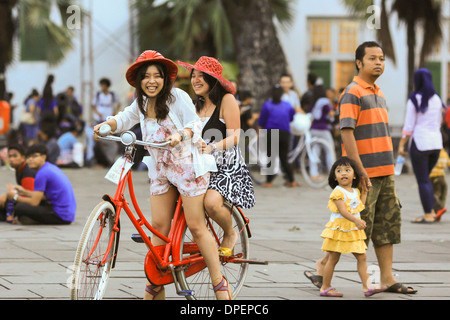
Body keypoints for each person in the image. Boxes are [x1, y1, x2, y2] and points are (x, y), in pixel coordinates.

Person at [94, 50, 232, 300]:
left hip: (188, 166)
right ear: (139, 80)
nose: (151, 81)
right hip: (160, 169)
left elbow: (194, 124)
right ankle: (155, 287)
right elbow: (124, 118)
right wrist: (107, 126)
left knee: (196, 226)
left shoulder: (177, 97)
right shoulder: (142, 102)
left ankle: (219, 284)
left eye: (157, 76)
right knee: (158, 227)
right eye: (146, 76)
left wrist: (181, 135)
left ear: (165, 79)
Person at [305, 41, 417, 295]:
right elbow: (346, 132)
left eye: (381, 58)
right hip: (364, 175)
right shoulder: (352, 92)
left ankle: (387, 278)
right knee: (354, 227)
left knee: (387, 224)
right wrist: (360, 171)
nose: (378, 62)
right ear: (359, 62)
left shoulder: (379, 92)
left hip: (386, 171)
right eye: (372, 58)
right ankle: (322, 267)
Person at [178, 56, 256, 257]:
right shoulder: (194, 105)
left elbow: (236, 136)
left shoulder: (226, 100)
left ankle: (230, 234)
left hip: (226, 166)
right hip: (199, 165)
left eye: (201, 76)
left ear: (213, 80)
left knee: (211, 203)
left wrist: (213, 147)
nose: (195, 80)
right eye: (193, 76)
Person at [319, 157, 382, 297]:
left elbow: (359, 206)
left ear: (354, 175)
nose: (343, 173)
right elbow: (343, 211)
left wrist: (365, 192)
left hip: (352, 230)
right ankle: (325, 286)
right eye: (339, 171)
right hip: (339, 229)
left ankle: (367, 287)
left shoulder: (355, 191)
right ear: (334, 177)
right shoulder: (337, 192)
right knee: (333, 258)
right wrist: (356, 221)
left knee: (362, 257)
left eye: (347, 170)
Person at [398, 68, 445, 224]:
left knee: (423, 180)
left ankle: (428, 215)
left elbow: (409, 125)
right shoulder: (437, 99)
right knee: (426, 179)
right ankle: (432, 210)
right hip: (436, 144)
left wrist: (401, 145)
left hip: (420, 144)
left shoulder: (414, 99)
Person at [6, 144, 76, 225]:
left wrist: (15, 197)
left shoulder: (42, 173)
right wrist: (24, 191)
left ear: (43, 157)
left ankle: (31, 220)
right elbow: (41, 196)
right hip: (68, 214)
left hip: (60, 215)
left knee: (19, 208)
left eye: (34, 156)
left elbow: (34, 202)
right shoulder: (49, 167)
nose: (30, 159)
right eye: (28, 157)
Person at [258, 84, 297, 187]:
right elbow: (292, 118)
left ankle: (269, 181)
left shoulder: (267, 105)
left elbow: (262, 120)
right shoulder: (288, 105)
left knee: (272, 157)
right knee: (284, 158)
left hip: (272, 132)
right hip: (285, 133)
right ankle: (291, 180)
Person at [0, 144, 36, 223]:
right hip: (24, 200)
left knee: (16, 207)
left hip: (33, 204)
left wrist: (9, 198)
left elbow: (30, 197)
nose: (11, 159)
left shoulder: (27, 173)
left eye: (15, 156)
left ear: (23, 158)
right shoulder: (19, 169)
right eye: (9, 156)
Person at [92, 78, 120, 167]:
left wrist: (115, 113)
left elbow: (118, 103)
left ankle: (109, 158)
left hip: (109, 120)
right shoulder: (98, 94)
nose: (102, 87)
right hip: (100, 120)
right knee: (98, 138)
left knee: (110, 139)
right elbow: (93, 105)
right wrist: (97, 113)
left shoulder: (112, 95)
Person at [309, 84, 336, 179]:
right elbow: (331, 113)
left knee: (315, 150)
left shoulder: (313, 102)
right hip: (323, 129)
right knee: (329, 150)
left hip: (313, 129)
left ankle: (313, 173)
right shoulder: (325, 102)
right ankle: (332, 171)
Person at [429, 149, 450, 222]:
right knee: (443, 194)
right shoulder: (444, 153)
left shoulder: (432, 152)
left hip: (433, 176)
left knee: (435, 194)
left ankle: (439, 209)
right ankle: (439, 211)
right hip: (441, 176)